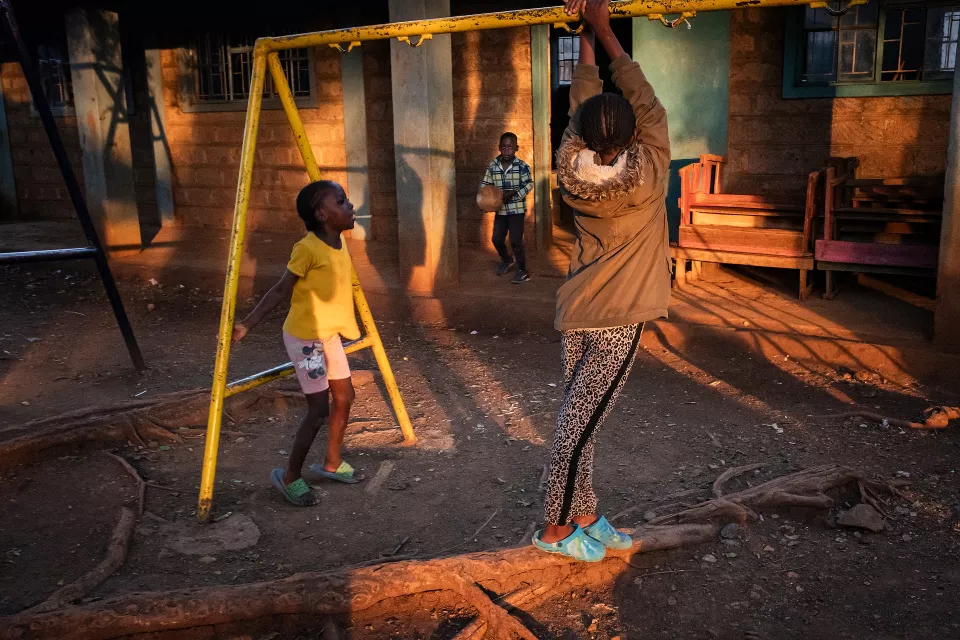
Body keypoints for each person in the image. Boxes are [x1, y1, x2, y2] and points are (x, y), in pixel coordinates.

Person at [533, 0, 671, 561]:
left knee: (580, 418)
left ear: (583, 138)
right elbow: (644, 98)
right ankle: (554, 531)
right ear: (635, 135)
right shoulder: (654, 167)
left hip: (579, 310)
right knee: (577, 425)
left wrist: (585, 33)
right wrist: (604, 26)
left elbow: (582, 105)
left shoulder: (570, 171)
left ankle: (585, 512)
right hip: (618, 320)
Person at [232, 181, 363, 507]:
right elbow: (280, 290)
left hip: (329, 334)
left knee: (345, 397)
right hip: (306, 340)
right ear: (322, 214)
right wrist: (247, 324)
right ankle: (290, 476)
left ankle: (331, 462)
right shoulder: (307, 249)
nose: (350, 206)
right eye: (342, 202)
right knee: (318, 410)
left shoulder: (339, 241)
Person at [479, 132, 534, 283]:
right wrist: (483, 202)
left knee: (516, 240)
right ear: (499, 148)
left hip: (516, 210)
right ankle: (506, 259)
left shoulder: (522, 166)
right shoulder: (493, 166)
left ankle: (523, 271)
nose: (506, 150)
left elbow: (529, 184)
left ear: (516, 148)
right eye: (503, 147)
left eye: (510, 147)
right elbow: (485, 186)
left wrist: (515, 193)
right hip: (500, 211)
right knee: (496, 239)